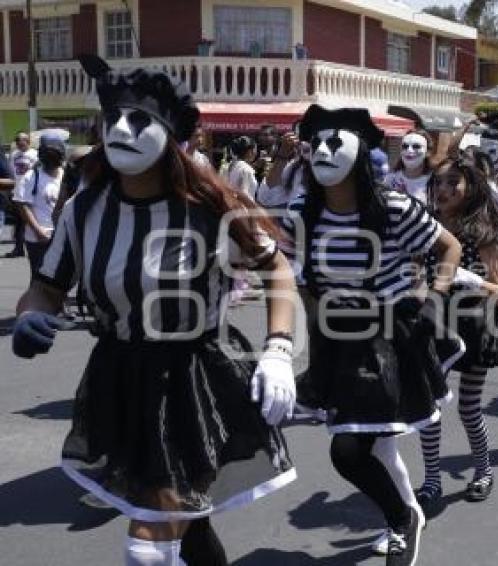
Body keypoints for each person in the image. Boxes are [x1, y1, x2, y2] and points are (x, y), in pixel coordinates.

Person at [12, 54, 298, 566]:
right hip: (117, 377)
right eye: (114, 118)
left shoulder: (210, 208)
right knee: (188, 524)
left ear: (169, 135)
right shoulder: (84, 208)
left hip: (189, 379)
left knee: (149, 547)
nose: (121, 128)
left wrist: (278, 350)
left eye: (140, 119)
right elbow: (46, 286)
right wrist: (33, 312)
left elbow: (277, 270)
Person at [284, 104, 462, 566]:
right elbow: (295, 278)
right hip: (336, 339)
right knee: (378, 441)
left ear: (360, 152)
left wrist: (435, 298)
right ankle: (408, 514)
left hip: (388, 338)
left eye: (333, 142)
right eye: (315, 143)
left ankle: (402, 517)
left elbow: (449, 247)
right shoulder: (302, 210)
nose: (321, 151)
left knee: (349, 448)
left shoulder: (394, 205)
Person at [414, 156, 498, 512]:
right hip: (433, 326)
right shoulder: (425, 226)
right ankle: (431, 480)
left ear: (469, 186)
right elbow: (415, 272)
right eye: (438, 182)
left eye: (452, 182)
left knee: (469, 409)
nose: (443, 189)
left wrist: (471, 280)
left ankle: (483, 471)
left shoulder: (480, 230)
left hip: (473, 326)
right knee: (430, 406)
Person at [12, 134, 65, 277]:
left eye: (54, 154)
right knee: (39, 280)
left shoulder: (66, 176)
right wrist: (38, 230)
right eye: (48, 154)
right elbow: (21, 204)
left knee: (59, 280)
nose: (51, 158)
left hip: (62, 236)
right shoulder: (32, 176)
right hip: (38, 239)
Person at [6, 131, 38, 257]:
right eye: (17, 140)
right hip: (17, 191)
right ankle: (18, 248)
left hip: (30, 192)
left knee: (32, 219)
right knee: (19, 221)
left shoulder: (35, 155)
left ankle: (35, 246)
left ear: (28, 141)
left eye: (22, 140)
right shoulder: (14, 155)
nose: (19, 142)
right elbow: (12, 173)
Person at [383, 129, 434, 203]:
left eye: (416, 146)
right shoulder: (390, 179)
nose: (409, 150)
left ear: (428, 152)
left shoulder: (433, 182)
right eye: (405, 146)